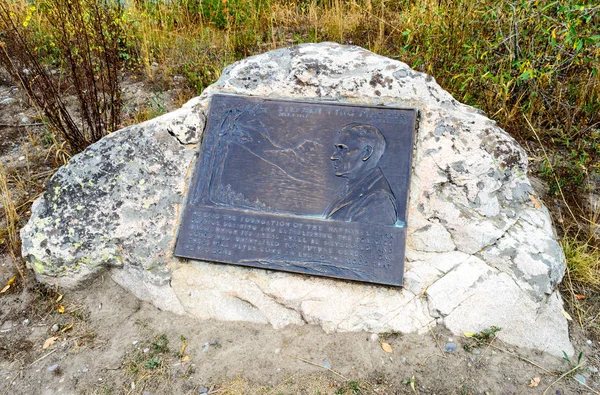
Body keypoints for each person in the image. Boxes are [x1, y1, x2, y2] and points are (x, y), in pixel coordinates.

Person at [324, 123, 398, 225]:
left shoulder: (378, 202)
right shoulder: (352, 189)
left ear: (366, 153)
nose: (333, 156)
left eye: (342, 149)